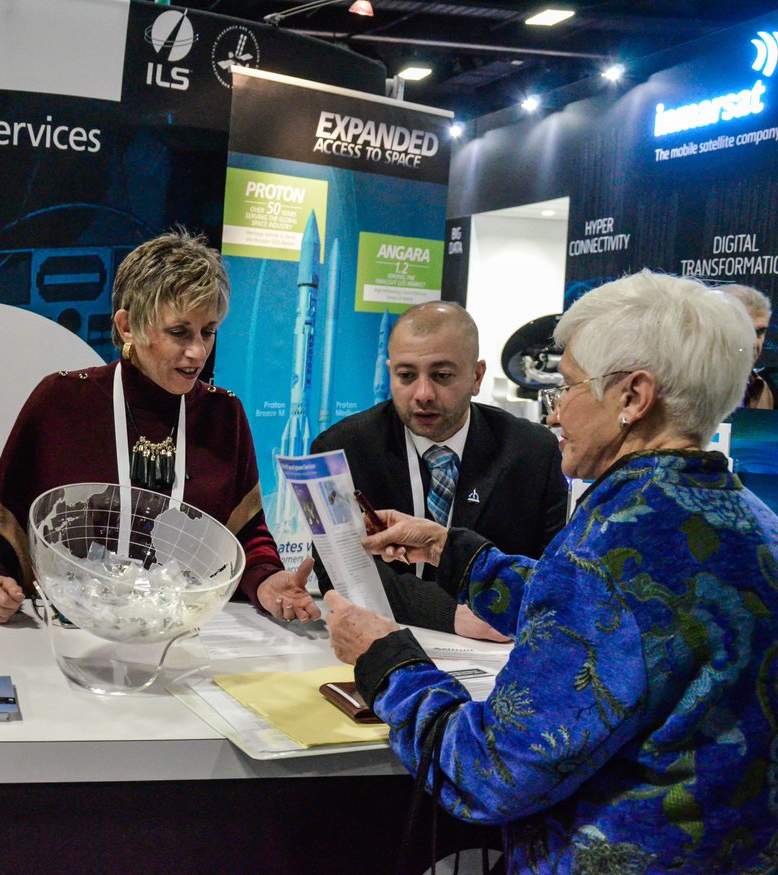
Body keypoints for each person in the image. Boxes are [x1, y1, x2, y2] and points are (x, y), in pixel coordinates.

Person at [326, 270, 778, 872]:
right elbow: (626, 622)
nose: (555, 412)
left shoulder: (610, 542)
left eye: (567, 386)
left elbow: (491, 772)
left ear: (633, 397)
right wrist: (449, 549)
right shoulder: (754, 523)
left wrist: (386, 661)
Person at [0, 230, 319, 624]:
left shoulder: (224, 415)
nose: (198, 352)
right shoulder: (62, 402)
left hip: (183, 635)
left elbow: (246, 534)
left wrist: (267, 580)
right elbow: (1, 526)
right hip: (72, 632)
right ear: (127, 326)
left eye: (208, 331)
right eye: (179, 332)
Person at [310, 301, 567, 638]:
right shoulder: (341, 448)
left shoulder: (533, 451)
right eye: (406, 376)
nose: (423, 394)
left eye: (442, 376)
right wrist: (449, 615)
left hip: (501, 652)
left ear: (476, 376)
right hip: (383, 637)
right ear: (390, 372)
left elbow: (553, 577)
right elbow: (338, 570)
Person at [721, 282, 776, 409]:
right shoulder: (683, 387)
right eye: (745, 331)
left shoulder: (762, 388)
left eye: (760, 332)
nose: (754, 343)